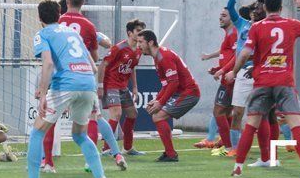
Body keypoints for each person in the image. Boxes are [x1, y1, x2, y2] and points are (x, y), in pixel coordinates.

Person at [17, 0, 111, 178]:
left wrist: (43, 94)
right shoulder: (73, 33)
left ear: (39, 17)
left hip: (66, 84)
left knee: (37, 133)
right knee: (80, 135)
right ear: (59, 15)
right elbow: (94, 66)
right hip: (88, 83)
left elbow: (48, 63)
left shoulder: (42, 34)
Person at [226, 0, 300, 178]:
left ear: (266, 8)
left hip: (262, 82)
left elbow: (244, 53)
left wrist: (233, 72)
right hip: (284, 82)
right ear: (281, 7)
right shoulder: (292, 24)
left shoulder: (257, 27)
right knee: (296, 125)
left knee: (251, 124)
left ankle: (238, 167)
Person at [40, 0, 125, 173]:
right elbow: (95, 57)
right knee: (93, 118)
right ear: (83, 2)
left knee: (50, 120)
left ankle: (48, 162)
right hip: (84, 76)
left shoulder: (57, 22)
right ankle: (92, 161)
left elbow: (48, 56)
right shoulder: (88, 26)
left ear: (66, 1)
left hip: (60, 78)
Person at [224, 0, 278, 162]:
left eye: (260, 8)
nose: (256, 10)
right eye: (255, 8)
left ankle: (271, 153)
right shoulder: (242, 24)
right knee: (237, 112)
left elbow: (275, 4)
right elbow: (230, 8)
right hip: (242, 73)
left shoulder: (268, 26)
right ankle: (235, 149)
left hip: (261, 72)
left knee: (266, 114)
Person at [137, 30, 201, 162]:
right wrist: (157, 99)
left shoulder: (163, 57)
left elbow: (174, 82)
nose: (138, 45)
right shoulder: (158, 57)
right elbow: (166, 84)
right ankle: (170, 153)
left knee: (158, 115)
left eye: (140, 42)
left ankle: (171, 154)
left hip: (189, 93)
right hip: (181, 92)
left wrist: (160, 103)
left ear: (150, 42)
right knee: (157, 116)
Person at [100, 18, 146, 155]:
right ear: (130, 33)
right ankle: (106, 148)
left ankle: (127, 148)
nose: (141, 34)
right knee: (116, 114)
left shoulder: (138, 50)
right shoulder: (118, 48)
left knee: (133, 114)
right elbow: (103, 65)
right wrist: (100, 86)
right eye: (138, 31)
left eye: (142, 31)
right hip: (111, 84)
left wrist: (135, 87)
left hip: (123, 86)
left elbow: (132, 68)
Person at [200, 8, 237, 156]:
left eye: (224, 16)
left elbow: (238, 55)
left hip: (230, 79)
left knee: (219, 111)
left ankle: (229, 146)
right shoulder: (228, 34)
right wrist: (217, 68)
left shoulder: (234, 33)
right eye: (220, 15)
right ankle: (229, 144)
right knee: (226, 112)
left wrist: (225, 71)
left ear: (232, 18)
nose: (220, 18)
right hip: (227, 76)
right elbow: (227, 54)